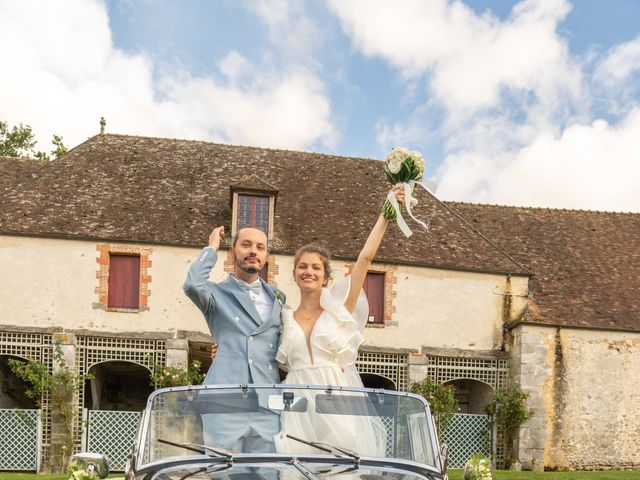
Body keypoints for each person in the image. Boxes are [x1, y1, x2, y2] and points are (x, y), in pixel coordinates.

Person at [274, 186, 404, 456]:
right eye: (302, 266)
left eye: (315, 267)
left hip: (334, 402)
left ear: (325, 277)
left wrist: (386, 213)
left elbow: (365, 259)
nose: (308, 271)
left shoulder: (338, 309)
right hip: (296, 405)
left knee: (340, 467)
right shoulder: (283, 316)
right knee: (296, 467)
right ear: (295, 273)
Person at [183, 225, 285, 452]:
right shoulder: (214, 294)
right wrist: (211, 249)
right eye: (246, 244)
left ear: (266, 256)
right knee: (222, 473)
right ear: (232, 251)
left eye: (260, 247)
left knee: (268, 474)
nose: (253, 251)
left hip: (267, 405)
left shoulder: (279, 298)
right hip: (224, 401)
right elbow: (191, 285)